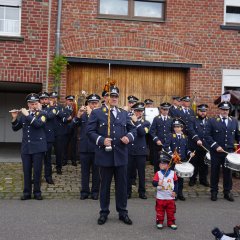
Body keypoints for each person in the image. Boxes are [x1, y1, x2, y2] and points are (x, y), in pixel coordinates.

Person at [87, 86, 136, 225]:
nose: (114, 98)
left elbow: (133, 129)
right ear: (105, 97)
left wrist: (129, 136)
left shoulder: (123, 113)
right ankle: (104, 212)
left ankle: (123, 212)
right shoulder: (97, 113)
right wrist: (101, 140)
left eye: (116, 96)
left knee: (122, 186)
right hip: (105, 156)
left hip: (121, 155)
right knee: (105, 186)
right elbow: (89, 131)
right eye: (111, 96)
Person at [11, 93, 47, 200]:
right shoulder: (24, 115)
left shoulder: (43, 113)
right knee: (26, 171)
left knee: (37, 171)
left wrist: (27, 115)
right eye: (31, 104)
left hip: (38, 147)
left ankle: (37, 192)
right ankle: (26, 192)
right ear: (28, 104)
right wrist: (14, 118)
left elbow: (38, 124)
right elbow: (15, 128)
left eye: (35, 103)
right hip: (26, 148)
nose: (33, 106)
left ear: (38, 103)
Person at [205, 101, 240, 202]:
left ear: (229, 111)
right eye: (223, 109)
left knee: (227, 173)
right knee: (215, 172)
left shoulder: (233, 121)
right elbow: (207, 136)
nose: (225, 111)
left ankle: (227, 192)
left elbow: (237, 135)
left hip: (228, 152)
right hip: (216, 152)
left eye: (227, 110)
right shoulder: (212, 121)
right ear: (219, 110)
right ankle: (214, 192)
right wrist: (215, 146)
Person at [73, 93, 100, 200]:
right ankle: (84, 191)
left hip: (96, 147)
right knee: (84, 172)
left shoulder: (101, 116)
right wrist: (78, 116)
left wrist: (92, 114)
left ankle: (95, 191)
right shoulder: (83, 114)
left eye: (95, 103)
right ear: (87, 104)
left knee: (96, 172)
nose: (93, 105)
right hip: (84, 147)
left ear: (98, 104)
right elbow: (72, 126)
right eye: (91, 103)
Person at [164, 118, 195, 201]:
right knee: (173, 178)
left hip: (182, 161)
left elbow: (187, 149)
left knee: (180, 178)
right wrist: (172, 155)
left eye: (178, 127)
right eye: (175, 127)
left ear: (182, 128)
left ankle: (180, 193)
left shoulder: (185, 137)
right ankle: (173, 193)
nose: (176, 128)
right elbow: (166, 146)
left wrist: (190, 153)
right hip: (173, 161)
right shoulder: (170, 136)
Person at [127, 102, 150, 200]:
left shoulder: (146, 123)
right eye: (136, 111)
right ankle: (128, 192)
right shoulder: (128, 121)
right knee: (128, 173)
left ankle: (142, 191)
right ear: (133, 111)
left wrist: (136, 122)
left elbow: (142, 133)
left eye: (140, 111)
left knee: (141, 173)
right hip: (130, 150)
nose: (138, 113)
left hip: (141, 152)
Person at [152, 153, 178, 230]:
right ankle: (159, 222)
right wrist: (157, 183)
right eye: (160, 163)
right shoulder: (158, 173)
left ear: (169, 165)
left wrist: (175, 191)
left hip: (170, 197)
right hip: (160, 197)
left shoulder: (173, 173)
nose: (161, 165)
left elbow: (176, 183)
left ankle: (171, 222)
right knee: (159, 210)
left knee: (171, 211)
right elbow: (153, 183)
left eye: (164, 163)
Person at [188, 104, 210, 187]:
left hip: (205, 147)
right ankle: (192, 179)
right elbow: (191, 130)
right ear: (198, 111)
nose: (203, 113)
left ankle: (203, 179)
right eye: (201, 111)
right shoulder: (192, 119)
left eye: (204, 111)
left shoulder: (209, 121)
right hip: (194, 146)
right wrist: (197, 139)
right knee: (194, 164)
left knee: (204, 164)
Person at [149, 102, 173, 173]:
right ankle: (157, 176)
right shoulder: (156, 119)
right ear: (161, 110)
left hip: (167, 145)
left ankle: (166, 176)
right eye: (164, 109)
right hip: (158, 144)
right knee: (157, 161)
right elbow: (151, 131)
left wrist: (169, 141)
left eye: (167, 110)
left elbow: (172, 132)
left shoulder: (171, 119)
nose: (165, 111)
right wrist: (156, 140)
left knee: (168, 161)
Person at [39, 92, 56, 184]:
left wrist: (40, 110)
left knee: (47, 159)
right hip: (38, 137)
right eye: (42, 99)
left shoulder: (52, 109)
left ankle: (48, 177)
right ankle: (37, 177)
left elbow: (49, 116)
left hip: (48, 138)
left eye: (45, 99)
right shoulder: (36, 109)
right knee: (37, 159)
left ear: (48, 100)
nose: (44, 101)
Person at [62, 95, 77, 166]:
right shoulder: (63, 109)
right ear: (66, 101)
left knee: (74, 146)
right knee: (64, 145)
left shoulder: (76, 109)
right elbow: (61, 120)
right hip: (65, 129)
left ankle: (74, 160)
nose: (71, 102)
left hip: (74, 129)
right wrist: (67, 119)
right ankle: (64, 160)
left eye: (72, 101)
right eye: (69, 101)